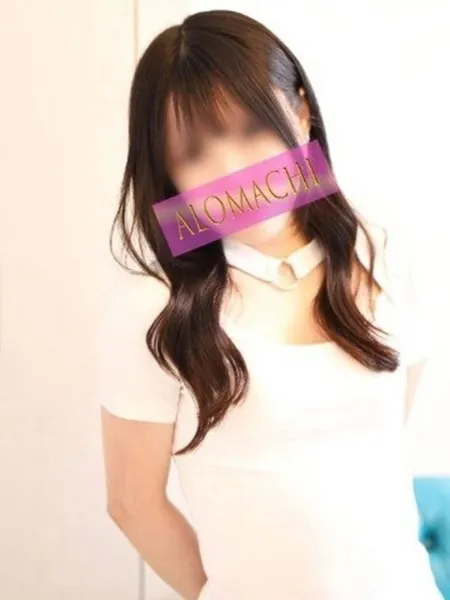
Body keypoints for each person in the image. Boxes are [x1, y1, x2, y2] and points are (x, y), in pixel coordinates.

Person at [99, 9, 441, 600]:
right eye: (193, 152)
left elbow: (383, 435)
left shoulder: (382, 252)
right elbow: (132, 502)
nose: (232, 172)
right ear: (168, 174)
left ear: (301, 113)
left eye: (251, 129)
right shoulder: (155, 308)